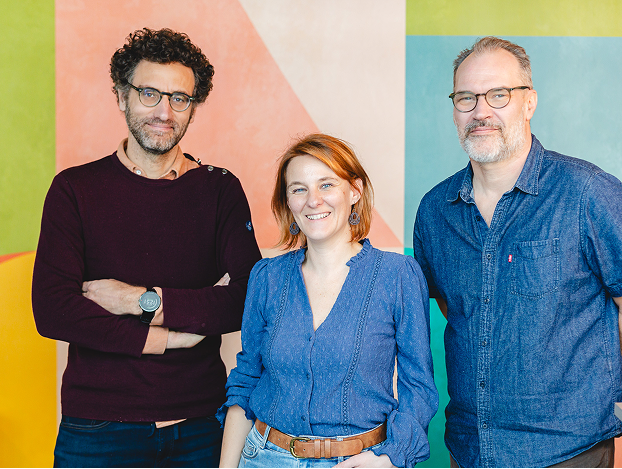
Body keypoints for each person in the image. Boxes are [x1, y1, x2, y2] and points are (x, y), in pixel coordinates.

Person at [32, 28, 261, 467]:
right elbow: (54, 310)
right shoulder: (74, 190)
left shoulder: (220, 190)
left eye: (180, 98)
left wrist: (141, 301)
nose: (164, 112)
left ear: (194, 106)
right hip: (98, 428)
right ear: (122, 97)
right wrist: (170, 338)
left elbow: (248, 299)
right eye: (149, 94)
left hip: (201, 426)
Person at [412, 36, 622, 468]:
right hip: (469, 449)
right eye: (466, 98)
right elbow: (457, 308)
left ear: (529, 102)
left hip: (569, 450)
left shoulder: (587, 193)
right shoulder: (435, 211)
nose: (480, 111)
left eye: (499, 95)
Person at [217, 133, 438, 468]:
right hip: (263, 457)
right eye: (299, 189)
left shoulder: (397, 275)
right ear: (288, 201)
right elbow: (246, 380)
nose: (313, 201)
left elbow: (418, 387)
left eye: (326, 185)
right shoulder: (267, 277)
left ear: (354, 190)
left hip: (360, 461)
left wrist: (389, 458)